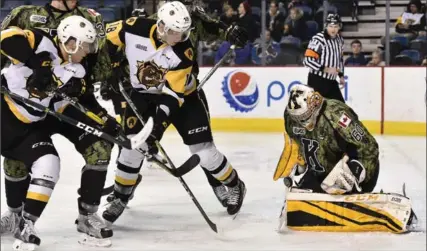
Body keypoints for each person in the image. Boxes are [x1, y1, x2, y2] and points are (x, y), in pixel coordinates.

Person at [102, 1, 247, 226]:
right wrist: (109, 67)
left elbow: (172, 98)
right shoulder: (133, 27)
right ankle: (120, 197)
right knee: (132, 149)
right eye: (174, 32)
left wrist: (156, 130)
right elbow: (102, 40)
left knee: (204, 152)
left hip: (183, 99)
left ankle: (234, 183)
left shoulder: (183, 51)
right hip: (141, 95)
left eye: (183, 32)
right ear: (160, 26)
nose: (179, 37)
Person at [1, 0, 119, 246]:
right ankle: (15, 215)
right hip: (25, 110)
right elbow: (7, 40)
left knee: (99, 146)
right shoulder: (27, 17)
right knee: (17, 158)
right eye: (83, 46)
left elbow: (92, 76)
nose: (86, 50)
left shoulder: (88, 22)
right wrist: (39, 66)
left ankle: (87, 215)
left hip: (59, 105)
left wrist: (102, 117)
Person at [273, 84, 417, 234]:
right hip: (320, 172)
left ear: (315, 102)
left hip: (356, 167)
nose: (303, 121)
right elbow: (299, 144)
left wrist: (354, 171)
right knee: (298, 200)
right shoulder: (291, 117)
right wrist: (299, 162)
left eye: (305, 116)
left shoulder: (336, 114)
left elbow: (368, 148)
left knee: (332, 185)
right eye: (298, 118)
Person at [303, 13, 346, 102]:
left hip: (331, 82)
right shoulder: (318, 39)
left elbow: (340, 59)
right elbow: (307, 60)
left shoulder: (340, 40)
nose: (333, 29)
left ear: (339, 27)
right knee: (316, 111)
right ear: (326, 26)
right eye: (330, 26)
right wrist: (325, 69)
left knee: (341, 109)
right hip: (317, 81)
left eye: (336, 26)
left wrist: (341, 75)